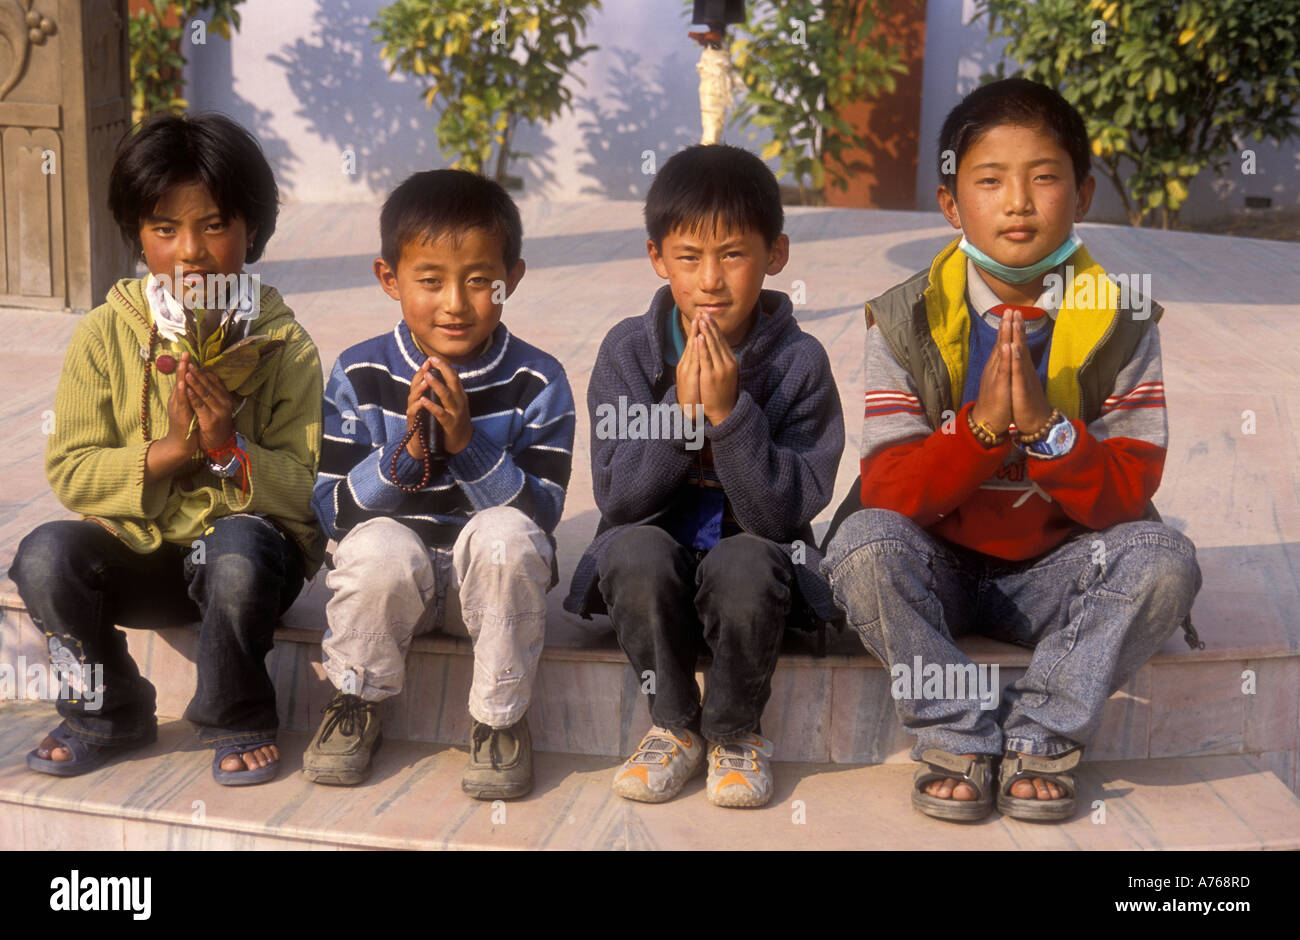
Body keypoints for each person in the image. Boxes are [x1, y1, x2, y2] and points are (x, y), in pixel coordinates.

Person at [821, 78, 1202, 822]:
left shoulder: (1121, 320)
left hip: (1061, 568)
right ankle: (955, 734)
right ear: (952, 204)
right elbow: (893, 491)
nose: (1018, 202)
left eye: (1044, 177)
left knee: (1165, 560)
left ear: (1083, 194)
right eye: (990, 181)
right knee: (863, 545)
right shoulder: (904, 318)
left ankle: (1042, 731)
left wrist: (1052, 434)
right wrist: (980, 429)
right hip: (940, 563)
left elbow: (1128, 490)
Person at [10, 112, 324, 786]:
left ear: (253, 231)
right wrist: (173, 451)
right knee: (42, 556)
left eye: (214, 225)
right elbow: (71, 467)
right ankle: (107, 711)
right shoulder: (104, 334)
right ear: (137, 236)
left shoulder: (284, 344)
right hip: (143, 561)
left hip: (248, 570)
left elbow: (304, 487)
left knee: (237, 551)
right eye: (164, 228)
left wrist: (224, 446)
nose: (191, 251)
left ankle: (239, 714)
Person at [564, 144, 845, 808]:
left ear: (775, 255)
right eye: (689, 257)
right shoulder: (628, 353)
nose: (711, 280)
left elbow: (784, 512)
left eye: (734, 254)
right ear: (657, 258)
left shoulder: (799, 363)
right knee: (631, 549)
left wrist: (730, 415)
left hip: (758, 561)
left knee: (745, 564)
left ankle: (735, 733)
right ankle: (673, 727)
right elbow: (621, 496)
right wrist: (680, 413)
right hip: (654, 554)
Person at [306, 169, 575, 800]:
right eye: (430, 280)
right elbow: (332, 512)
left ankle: (499, 719)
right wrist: (407, 452)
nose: (455, 302)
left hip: (486, 593)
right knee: (376, 546)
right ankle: (356, 700)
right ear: (389, 279)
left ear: (512, 281)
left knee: (507, 535)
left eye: (480, 280)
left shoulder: (538, 381)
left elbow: (545, 514)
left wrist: (467, 444)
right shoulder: (360, 371)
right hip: (394, 590)